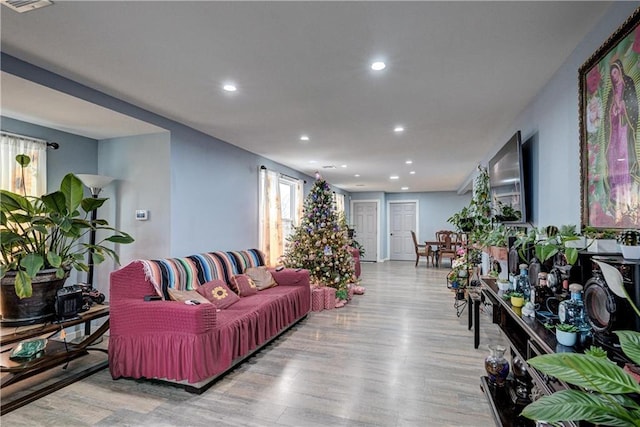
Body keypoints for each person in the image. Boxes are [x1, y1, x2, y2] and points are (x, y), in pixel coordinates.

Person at [603, 58, 639, 220]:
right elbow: (607, 115)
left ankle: (627, 198)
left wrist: (623, 106)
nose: (614, 76)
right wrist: (614, 112)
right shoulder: (611, 92)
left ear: (620, 71)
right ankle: (615, 195)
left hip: (625, 129)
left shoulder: (628, 83)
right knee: (613, 158)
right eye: (612, 74)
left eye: (615, 72)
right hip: (615, 130)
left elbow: (633, 107)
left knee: (624, 158)